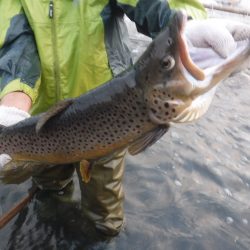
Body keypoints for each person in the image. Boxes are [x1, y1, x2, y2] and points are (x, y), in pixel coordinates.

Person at [0, 0, 249, 236]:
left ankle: (96, 237)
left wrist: (188, 24)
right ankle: (52, 225)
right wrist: (13, 109)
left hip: (109, 113)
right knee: (50, 193)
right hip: (43, 125)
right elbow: (16, 42)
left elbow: (152, 4)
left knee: (105, 218)